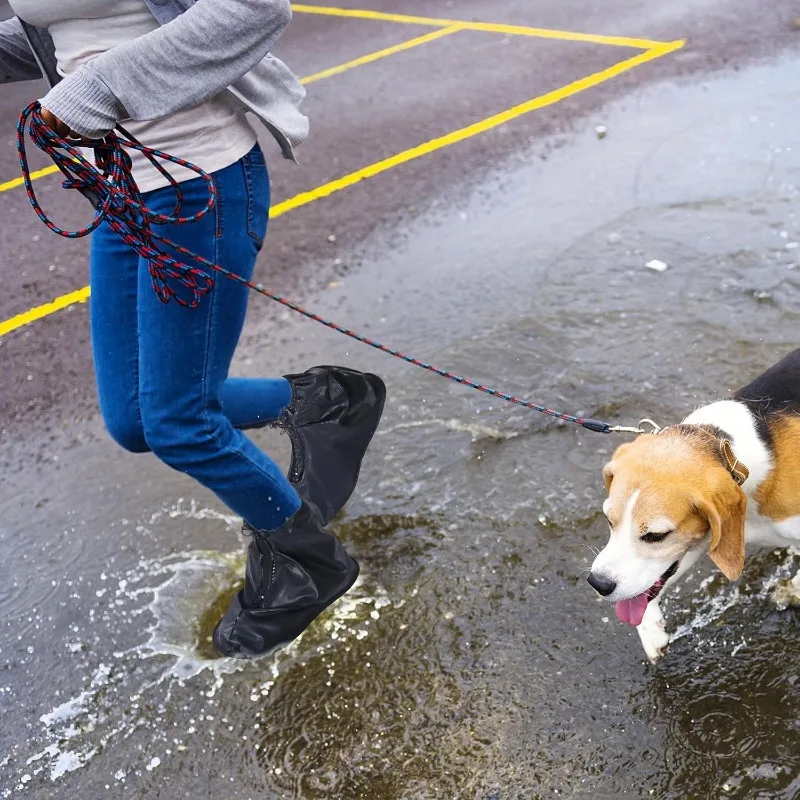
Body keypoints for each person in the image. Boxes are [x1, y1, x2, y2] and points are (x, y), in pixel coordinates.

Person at [0, 0, 386, 659]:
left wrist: (94, 90)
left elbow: (254, 9)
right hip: (120, 186)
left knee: (179, 423)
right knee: (134, 421)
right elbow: (66, 27)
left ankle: (309, 567)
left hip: (197, 185)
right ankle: (323, 401)